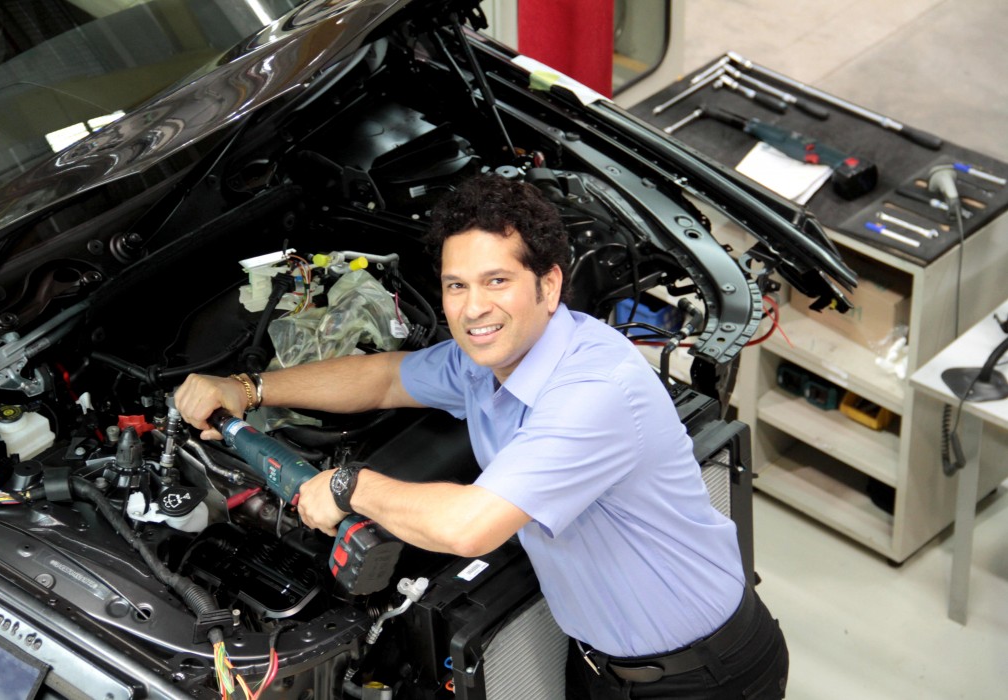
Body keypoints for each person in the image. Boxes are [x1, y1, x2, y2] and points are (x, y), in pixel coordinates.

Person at [175, 174, 789, 698]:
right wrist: (250, 387)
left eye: (497, 282)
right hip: (603, 666)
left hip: (699, 678)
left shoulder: (595, 389)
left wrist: (346, 484)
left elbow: (471, 526)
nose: (473, 309)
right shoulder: (488, 358)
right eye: (456, 285)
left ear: (549, 286)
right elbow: (385, 377)